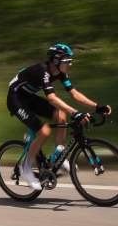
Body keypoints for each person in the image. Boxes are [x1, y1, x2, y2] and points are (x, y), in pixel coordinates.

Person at [7, 44, 112, 191]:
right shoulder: (44, 71)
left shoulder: (60, 72)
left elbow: (74, 93)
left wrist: (97, 106)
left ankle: (57, 156)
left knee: (61, 116)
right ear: (56, 61)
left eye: (71, 60)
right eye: (67, 61)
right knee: (44, 131)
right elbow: (51, 98)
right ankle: (26, 168)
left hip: (29, 97)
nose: (70, 64)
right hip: (15, 99)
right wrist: (75, 112)